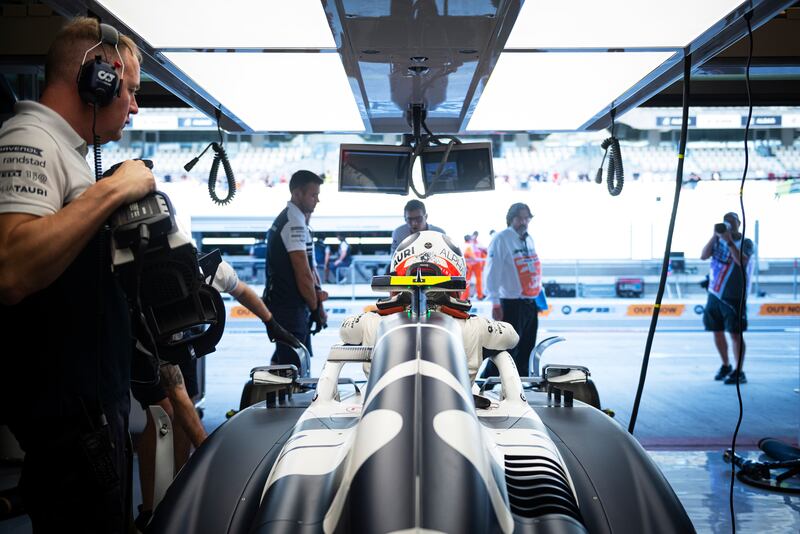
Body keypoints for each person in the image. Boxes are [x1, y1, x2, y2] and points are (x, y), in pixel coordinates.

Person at [0, 17, 155, 533]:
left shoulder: (66, 149)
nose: (133, 106)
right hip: (70, 427)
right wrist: (114, 190)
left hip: (91, 415)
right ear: (98, 80)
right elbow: (13, 269)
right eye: (129, 91)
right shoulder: (29, 136)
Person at [131, 259, 298, 530]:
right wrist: (218, 460)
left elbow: (242, 291)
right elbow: (177, 395)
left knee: (187, 409)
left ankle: (178, 484)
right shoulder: (154, 288)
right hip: (146, 341)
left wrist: (270, 322)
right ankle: (149, 510)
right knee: (163, 415)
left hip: (183, 338)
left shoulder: (211, 270)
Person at [339, 230, 519, 383]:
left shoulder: (371, 322)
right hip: (455, 416)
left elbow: (346, 331)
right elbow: (511, 337)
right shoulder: (475, 327)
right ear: (456, 283)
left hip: (382, 415)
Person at [264, 170, 328, 369]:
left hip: (287, 305)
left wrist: (317, 302)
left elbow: (309, 269)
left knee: (283, 360)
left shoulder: (296, 219)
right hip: (289, 307)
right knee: (293, 368)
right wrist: (315, 308)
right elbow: (303, 273)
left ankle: (269, 395)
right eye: (313, 195)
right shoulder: (293, 223)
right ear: (297, 194)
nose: (317, 200)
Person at [483, 203, 542, 378]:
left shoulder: (528, 239)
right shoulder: (501, 238)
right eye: (519, 218)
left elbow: (533, 270)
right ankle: (488, 384)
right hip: (510, 304)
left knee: (527, 348)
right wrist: (495, 302)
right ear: (511, 219)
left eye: (527, 218)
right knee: (505, 350)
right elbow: (493, 271)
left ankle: (521, 385)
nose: (524, 222)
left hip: (529, 303)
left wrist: (537, 298)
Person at [700, 212, 755, 384]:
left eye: (732, 221)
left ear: (739, 223)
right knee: (716, 330)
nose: (729, 224)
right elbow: (703, 255)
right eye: (726, 222)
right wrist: (715, 234)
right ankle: (726, 365)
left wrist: (729, 241)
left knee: (735, 333)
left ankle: (739, 371)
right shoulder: (717, 240)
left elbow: (742, 261)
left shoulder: (745, 242)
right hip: (714, 293)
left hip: (734, 295)